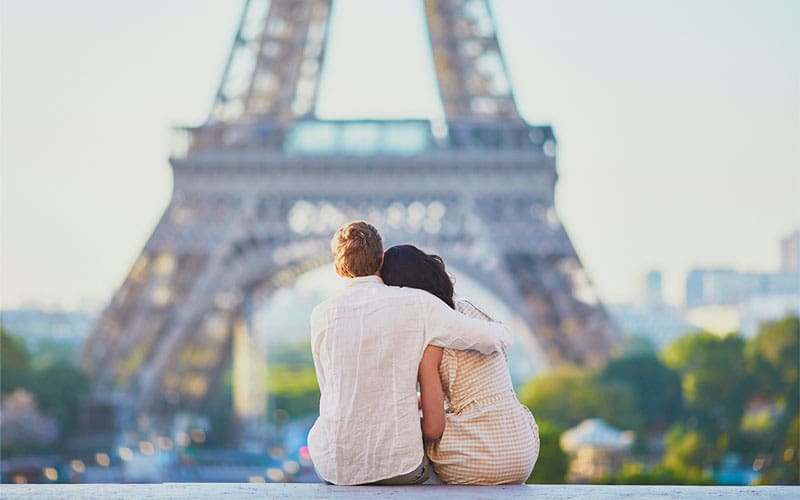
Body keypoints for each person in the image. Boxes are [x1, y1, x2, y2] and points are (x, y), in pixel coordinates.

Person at [307, 221, 513, 486]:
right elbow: (494, 338)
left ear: (337, 269)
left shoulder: (321, 314)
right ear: (380, 261)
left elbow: (331, 388)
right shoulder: (418, 303)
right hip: (400, 467)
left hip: (336, 466)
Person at [381, 244, 539, 485]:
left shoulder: (430, 341)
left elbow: (434, 428)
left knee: (408, 460)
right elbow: (467, 393)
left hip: (475, 458)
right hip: (521, 450)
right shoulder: (470, 312)